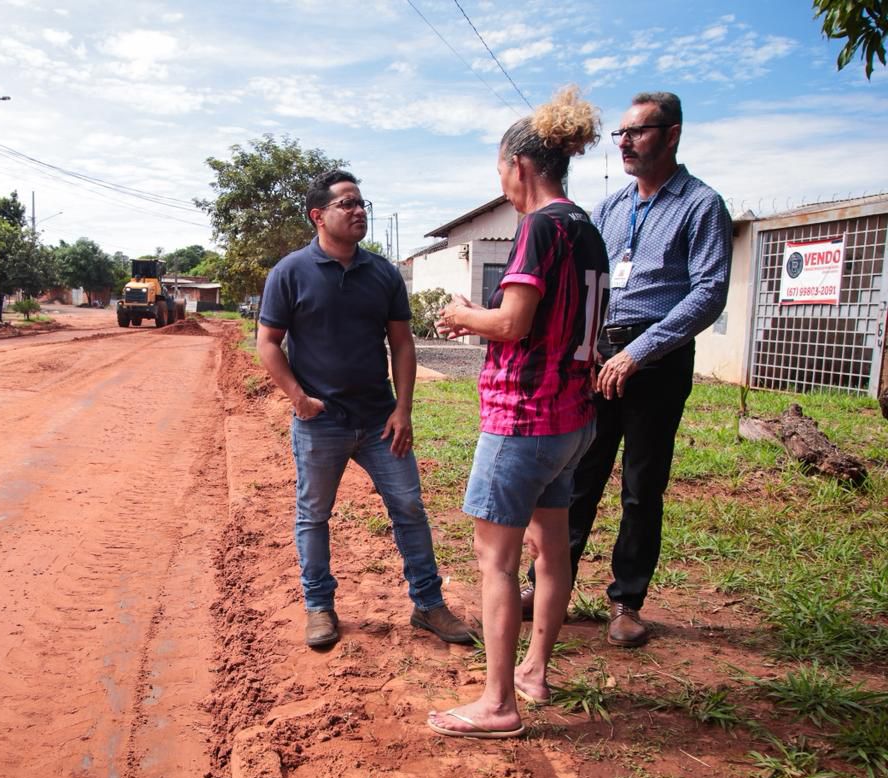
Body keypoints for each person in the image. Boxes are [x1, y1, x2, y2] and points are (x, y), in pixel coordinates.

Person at [427, 87, 608, 738]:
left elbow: (511, 320)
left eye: (500, 168)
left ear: (521, 167)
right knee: (551, 553)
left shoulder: (538, 227)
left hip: (523, 420)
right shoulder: (587, 228)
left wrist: (461, 315)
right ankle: (533, 672)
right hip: (572, 420)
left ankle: (498, 704)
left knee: (497, 561)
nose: (500, 181)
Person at [521, 91, 732, 648]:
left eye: (637, 132)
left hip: (654, 359)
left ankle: (626, 602)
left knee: (642, 486)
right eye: (620, 133)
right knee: (577, 475)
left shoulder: (701, 205)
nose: (624, 143)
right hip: (598, 354)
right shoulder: (611, 208)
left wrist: (639, 352)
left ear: (672, 134)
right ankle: (545, 588)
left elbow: (709, 292)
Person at [257, 169, 473, 650]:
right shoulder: (290, 273)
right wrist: (298, 398)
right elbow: (268, 343)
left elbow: (402, 343)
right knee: (314, 515)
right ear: (319, 215)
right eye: (347, 204)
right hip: (321, 422)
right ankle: (319, 607)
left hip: (380, 420)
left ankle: (428, 604)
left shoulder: (383, 273)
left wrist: (404, 408)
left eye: (362, 204)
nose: (359, 212)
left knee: (410, 509)